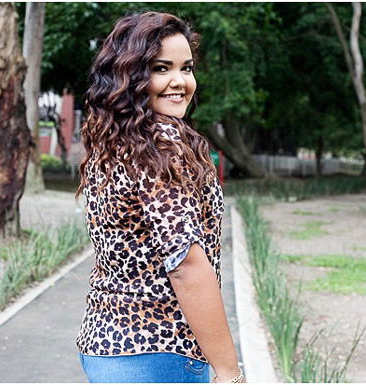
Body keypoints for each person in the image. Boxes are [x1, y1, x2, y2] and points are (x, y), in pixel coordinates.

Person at [76, 12, 244, 383]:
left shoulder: (113, 141)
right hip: (159, 354)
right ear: (131, 75)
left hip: (107, 348)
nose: (179, 81)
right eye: (161, 68)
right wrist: (229, 371)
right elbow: (186, 263)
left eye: (186, 68)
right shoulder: (160, 145)